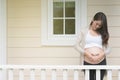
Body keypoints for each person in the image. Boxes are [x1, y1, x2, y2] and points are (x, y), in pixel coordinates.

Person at [74, 12, 110, 80]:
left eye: (100, 26)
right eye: (96, 24)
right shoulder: (84, 31)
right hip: (87, 61)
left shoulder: (102, 33)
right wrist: (86, 53)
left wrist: (101, 55)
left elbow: (108, 49)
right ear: (93, 19)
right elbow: (76, 45)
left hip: (101, 61)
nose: (97, 27)